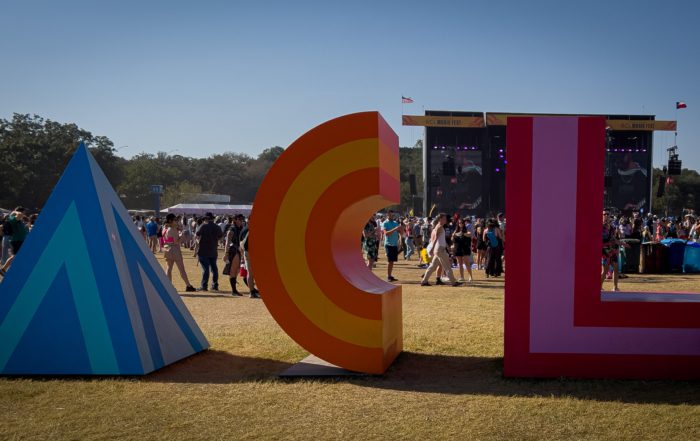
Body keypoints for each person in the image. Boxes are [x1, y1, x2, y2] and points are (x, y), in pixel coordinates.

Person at [420, 213, 462, 287]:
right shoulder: (439, 227)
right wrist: (432, 248)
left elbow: (439, 239)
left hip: (438, 249)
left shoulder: (438, 226)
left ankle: (424, 281)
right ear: (440, 219)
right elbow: (435, 238)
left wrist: (446, 246)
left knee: (433, 266)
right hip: (440, 249)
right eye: (444, 218)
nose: (446, 220)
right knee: (447, 266)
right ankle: (453, 282)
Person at [162, 214, 196, 292]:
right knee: (181, 269)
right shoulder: (172, 229)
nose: (176, 221)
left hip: (167, 248)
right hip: (174, 249)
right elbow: (176, 241)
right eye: (175, 220)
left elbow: (166, 239)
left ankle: (168, 286)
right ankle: (188, 285)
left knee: (168, 268)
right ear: (170, 220)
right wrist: (182, 236)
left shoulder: (165, 228)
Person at [195, 212, 223, 292]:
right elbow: (220, 238)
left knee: (205, 269)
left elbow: (197, 235)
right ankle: (215, 285)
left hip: (203, 251)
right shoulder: (217, 227)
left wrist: (198, 241)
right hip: (213, 250)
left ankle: (204, 286)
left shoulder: (203, 226)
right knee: (214, 269)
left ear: (206, 218)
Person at [0, 207, 29, 278]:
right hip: (16, 240)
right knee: (15, 256)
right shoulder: (12, 218)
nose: (24, 214)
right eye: (24, 212)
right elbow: (19, 215)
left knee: (17, 256)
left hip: (20, 240)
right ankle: (3, 269)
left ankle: (4, 269)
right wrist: (15, 212)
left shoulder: (19, 220)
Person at [223, 214, 245, 296]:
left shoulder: (240, 228)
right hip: (233, 251)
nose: (241, 221)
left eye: (242, 219)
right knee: (233, 270)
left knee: (236, 270)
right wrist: (226, 253)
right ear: (235, 220)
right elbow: (227, 242)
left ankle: (234, 290)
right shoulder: (231, 229)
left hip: (238, 251)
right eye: (239, 219)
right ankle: (234, 290)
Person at [239, 219, 260, 298]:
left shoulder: (243, 230)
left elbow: (240, 245)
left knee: (249, 274)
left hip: (247, 253)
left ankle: (251, 292)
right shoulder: (257, 229)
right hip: (256, 253)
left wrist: (242, 257)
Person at [601, 211, 620, 291]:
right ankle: (599, 286)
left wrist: (621, 243)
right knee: (605, 270)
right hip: (604, 250)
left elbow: (613, 238)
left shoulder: (612, 227)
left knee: (616, 268)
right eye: (604, 214)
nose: (606, 215)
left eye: (608, 214)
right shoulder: (600, 226)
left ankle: (615, 287)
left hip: (612, 249)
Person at [381, 211, 401, 282]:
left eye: (392, 214)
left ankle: (390, 275)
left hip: (395, 244)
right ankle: (388, 276)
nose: (391, 215)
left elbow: (400, 232)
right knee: (389, 261)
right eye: (390, 214)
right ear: (387, 215)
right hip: (388, 244)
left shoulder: (395, 223)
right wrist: (395, 229)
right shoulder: (385, 223)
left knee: (392, 261)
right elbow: (386, 234)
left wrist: (400, 242)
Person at [452, 218, 474, 282]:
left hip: (465, 248)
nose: (460, 224)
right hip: (458, 248)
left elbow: (470, 234)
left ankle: (470, 277)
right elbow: (452, 238)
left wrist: (463, 233)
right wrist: (454, 235)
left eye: (461, 223)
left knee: (467, 263)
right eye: (459, 223)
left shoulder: (466, 230)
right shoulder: (456, 230)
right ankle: (462, 277)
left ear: (464, 223)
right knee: (460, 263)